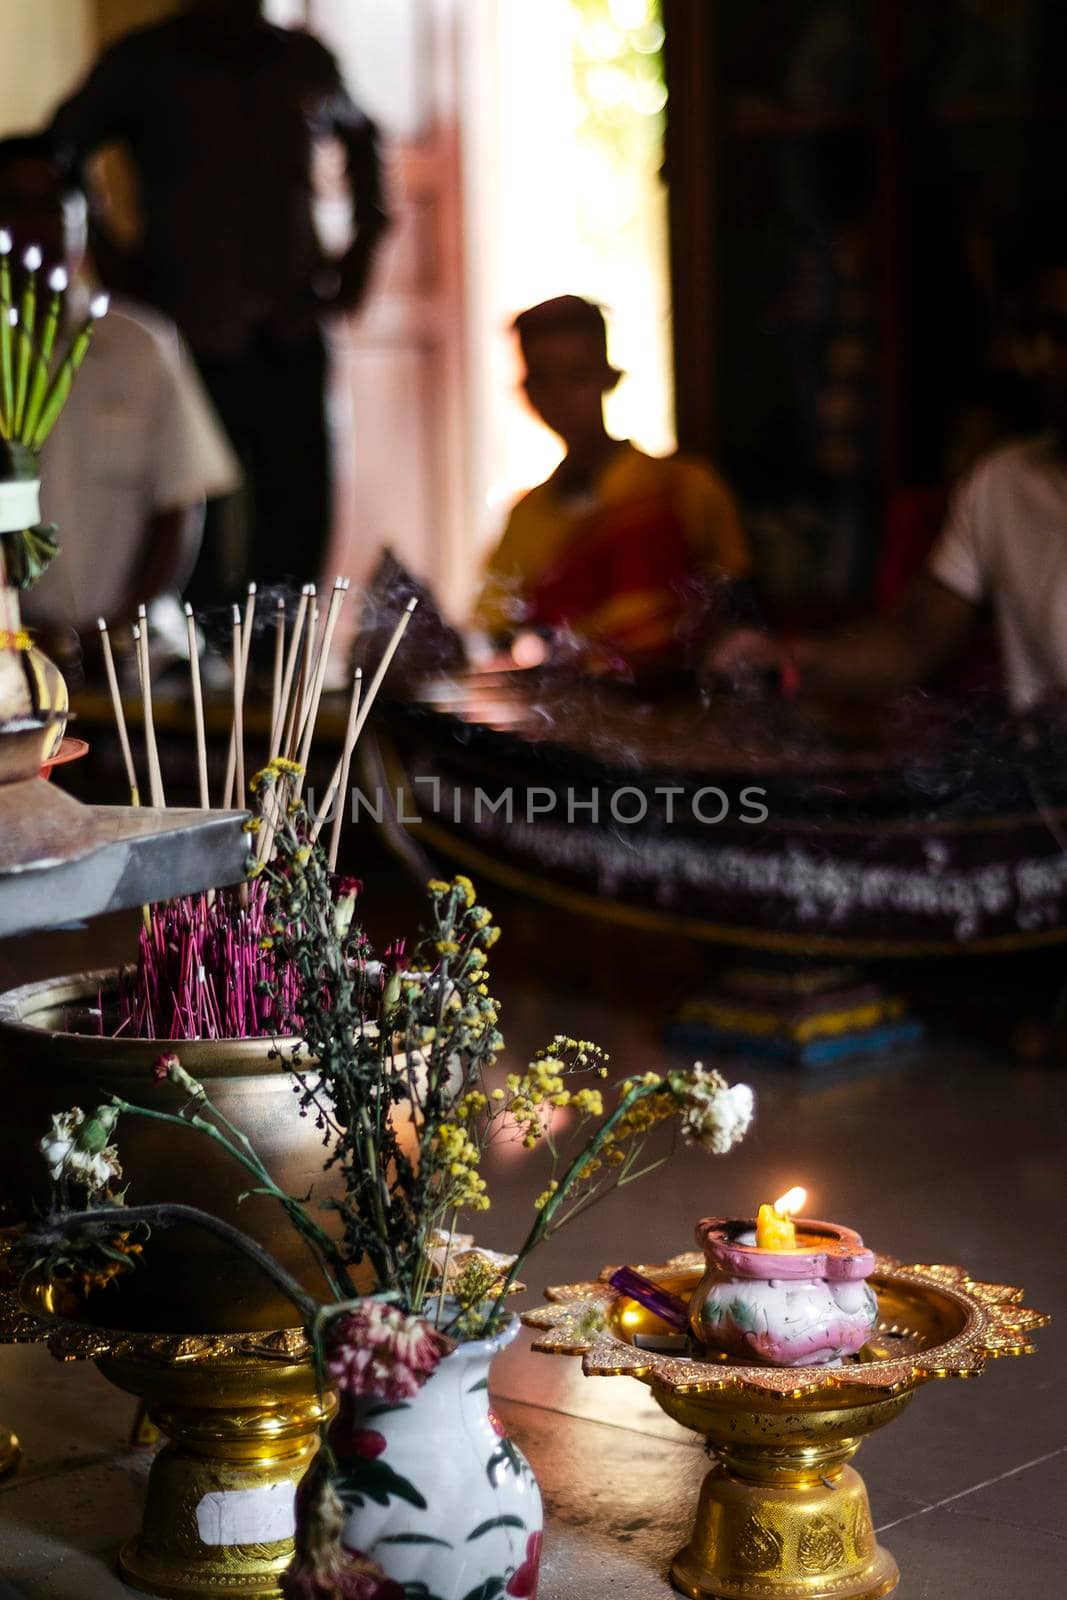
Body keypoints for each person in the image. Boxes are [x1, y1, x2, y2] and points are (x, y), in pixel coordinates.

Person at [50, 0, 388, 599]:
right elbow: (61, 149)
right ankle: (196, 655)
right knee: (193, 499)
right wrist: (104, 248)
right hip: (189, 322)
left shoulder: (303, 59)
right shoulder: (143, 64)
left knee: (300, 496)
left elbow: (363, 141)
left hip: (290, 319)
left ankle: (280, 652)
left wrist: (362, 247)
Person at [709, 251, 1067, 712]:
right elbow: (911, 640)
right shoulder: (1002, 483)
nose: (1039, 359)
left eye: (1061, 336)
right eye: (1033, 336)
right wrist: (790, 659)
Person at [0, 133, 239, 649]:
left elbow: (178, 503)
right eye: (12, 206)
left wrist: (112, 630)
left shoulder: (141, 346)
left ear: (82, 221)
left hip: (132, 654)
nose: (31, 226)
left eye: (50, 206)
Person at [474, 295, 753, 673]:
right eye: (544, 381)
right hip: (569, 719)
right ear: (527, 392)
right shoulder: (525, 518)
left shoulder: (682, 489)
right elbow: (497, 632)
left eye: (577, 376)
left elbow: (737, 608)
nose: (561, 398)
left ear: (610, 377)